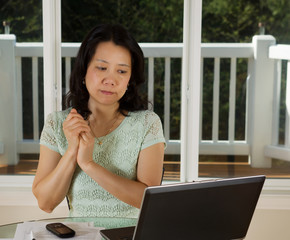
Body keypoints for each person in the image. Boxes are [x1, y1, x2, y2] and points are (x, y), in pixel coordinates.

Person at [32, 24, 166, 218]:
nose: (110, 80)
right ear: (83, 71)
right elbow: (46, 203)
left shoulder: (147, 123)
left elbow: (147, 199)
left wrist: (88, 164)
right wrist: (72, 151)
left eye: (121, 71)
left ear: (130, 79)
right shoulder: (58, 123)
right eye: (102, 68)